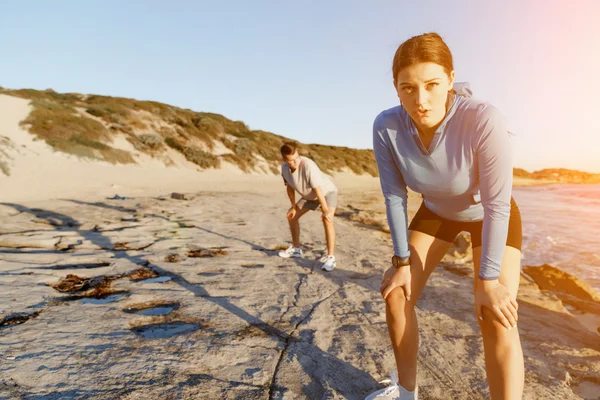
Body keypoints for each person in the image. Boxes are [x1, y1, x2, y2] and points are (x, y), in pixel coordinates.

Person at [366, 33, 523, 400]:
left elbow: (498, 205)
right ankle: (407, 394)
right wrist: (401, 261)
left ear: (451, 80)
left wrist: (487, 282)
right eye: (408, 88)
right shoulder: (386, 126)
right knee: (396, 294)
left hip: (489, 214)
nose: (420, 100)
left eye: (432, 85)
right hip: (436, 211)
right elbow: (394, 196)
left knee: (496, 316)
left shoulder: (483, 118)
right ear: (396, 87)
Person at [278, 143, 339, 271]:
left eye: (297, 158)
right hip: (310, 196)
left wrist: (325, 210)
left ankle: (330, 258)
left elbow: (318, 189)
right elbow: (289, 188)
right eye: (291, 160)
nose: (295, 162)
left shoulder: (308, 165)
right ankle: (296, 249)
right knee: (291, 216)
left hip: (326, 193)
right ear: (284, 160)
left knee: (327, 219)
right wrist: (293, 206)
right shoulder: (284, 168)